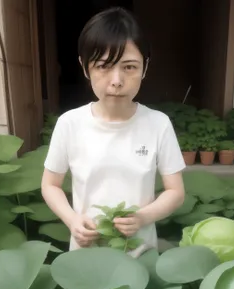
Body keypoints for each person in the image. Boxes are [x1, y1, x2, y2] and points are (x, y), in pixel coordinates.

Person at [41, 7, 186, 257]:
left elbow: (176, 191)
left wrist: (142, 217)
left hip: (141, 253)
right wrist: (72, 220)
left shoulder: (158, 123)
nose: (116, 80)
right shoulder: (70, 123)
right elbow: (50, 184)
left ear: (145, 66)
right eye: (103, 66)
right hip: (85, 253)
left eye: (129, 67)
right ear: (85, 67)